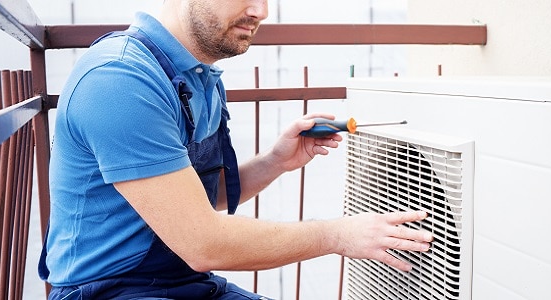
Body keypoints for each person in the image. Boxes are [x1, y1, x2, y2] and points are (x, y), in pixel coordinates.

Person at [39, 0, 433, 299]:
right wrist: (336, 236)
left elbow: (200, 203)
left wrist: (274, 163)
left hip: (183, 282)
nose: (261, 10)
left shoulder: (200, 77)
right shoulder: (120, 79)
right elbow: (202, 242)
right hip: (110, 290)